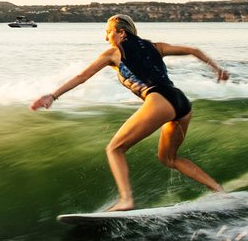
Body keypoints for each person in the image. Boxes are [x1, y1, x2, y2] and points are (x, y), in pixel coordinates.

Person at [29, 14, 229, 211]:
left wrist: (53, 96)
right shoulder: (156, 46)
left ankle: (126, 200)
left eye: (108, 32)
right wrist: (216, 68)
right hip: (181, 102)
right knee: (168, 158)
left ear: (121, 32)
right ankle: (219, 190)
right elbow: (192, 50)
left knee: (114, 149)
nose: (106, 37)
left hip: (159, 99)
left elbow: (83, 76)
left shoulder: (113, 53)